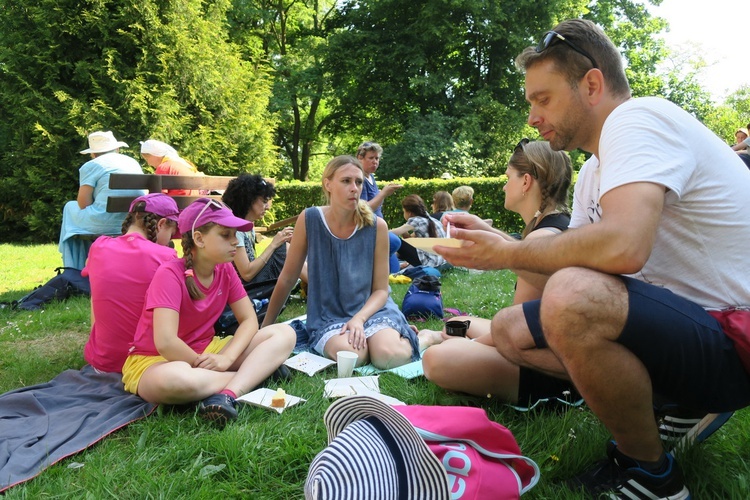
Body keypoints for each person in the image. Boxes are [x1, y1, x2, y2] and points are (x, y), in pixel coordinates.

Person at [436, 19, 750, 499]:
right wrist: (497, 244)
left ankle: (654, 477)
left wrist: (509, 254)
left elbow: (623, 248)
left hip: (736, 337)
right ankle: (669, 410)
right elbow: (570, 258)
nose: (532, 117)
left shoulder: (638, 119)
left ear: (592, 84)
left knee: (573, 297)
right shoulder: (594, 173)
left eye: (543, 99)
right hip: (692, 328)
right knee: (507, 328)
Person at [422, 140, 573, 403]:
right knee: (457, 324)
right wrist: (486, 230)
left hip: (545, 371)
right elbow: (521, 250)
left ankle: (443, 344)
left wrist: (466, 348)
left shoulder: (541, 239)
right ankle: (439, 336)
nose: (504, 186)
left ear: (526, 182)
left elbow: (518, 334)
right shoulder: (553, 226)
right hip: (548, 351)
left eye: (507, 178)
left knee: (436, 358)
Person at [121, 198, 296, 426]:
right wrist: (203, 362)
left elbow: (249, 320)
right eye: (226, 235)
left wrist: (227, 358)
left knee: (284, 333)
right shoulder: (169, 274)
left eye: (235, 235)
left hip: (209, 350)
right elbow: (165, 342)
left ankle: (228, 394)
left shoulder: (224, 269)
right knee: (176, 380)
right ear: (199, 238)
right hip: (156, 360)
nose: (235, 242)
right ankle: (258, 374)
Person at [261, 156, 441, 369]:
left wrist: (359, 319)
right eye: (346, 181)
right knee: (352, 356)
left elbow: (381, 290)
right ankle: (386, 337)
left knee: (389, 356)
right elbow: (288, 278)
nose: (354, 188)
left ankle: (424, 338)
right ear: (328, 184)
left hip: (373, 310)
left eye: (358, 182)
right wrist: (264, 328)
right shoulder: (309, 219)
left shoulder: (377, 226)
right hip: (329, 315)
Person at [82, 193, 180, 373]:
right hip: (143, 365)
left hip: (102, 364)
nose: (170, 241)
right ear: (161, 224)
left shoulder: (98, 246)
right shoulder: (166, 256)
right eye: (171, 234)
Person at [58, 131, 145, 269]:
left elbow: (83, 203)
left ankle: (73, 267)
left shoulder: (91, 165)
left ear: (93, 154)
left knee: (70, 208)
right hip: (133, 222)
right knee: (75, 217)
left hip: (105, 223)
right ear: (117, 149)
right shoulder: (132, 162)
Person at [221, 173, 307, 285]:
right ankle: (322, 288)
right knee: (284, 249)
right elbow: (247, 274)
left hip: (251, 282)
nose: (268, 207)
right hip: (244, 288)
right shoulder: (235, 230)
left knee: (292, 246)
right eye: (264, 201)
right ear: (249, 200)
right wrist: (273, 245)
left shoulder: (248, 226)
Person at [390, 194, 448, 270]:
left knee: (394, 239)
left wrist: (378, 231)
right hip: (441, 261)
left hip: (429, 263)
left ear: (409, 213)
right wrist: (405, 234)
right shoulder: (432, 220)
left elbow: (392, 233)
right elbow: (412, 242)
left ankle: (390, 265)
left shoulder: (416, 220)